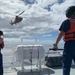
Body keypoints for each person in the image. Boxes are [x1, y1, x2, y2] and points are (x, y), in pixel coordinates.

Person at [53, 6, 75, 75]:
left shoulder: (67, 22)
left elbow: (61, 34)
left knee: (66, 64)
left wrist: (55, 45)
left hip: (69, 45)